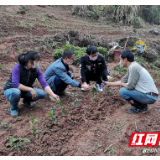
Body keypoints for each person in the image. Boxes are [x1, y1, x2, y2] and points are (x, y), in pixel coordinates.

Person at [4, 51, 59, 117]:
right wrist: (30, 89)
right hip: (11, 90)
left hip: (25, 90)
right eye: (37, 61)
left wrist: (53, 94)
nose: (38, 63)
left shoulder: (36, 70)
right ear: (30, 61)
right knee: (16, 92)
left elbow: (44, 84)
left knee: (42, 93)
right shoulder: (18, 67)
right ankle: (14, 108)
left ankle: (26, 101)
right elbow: (15, 84)